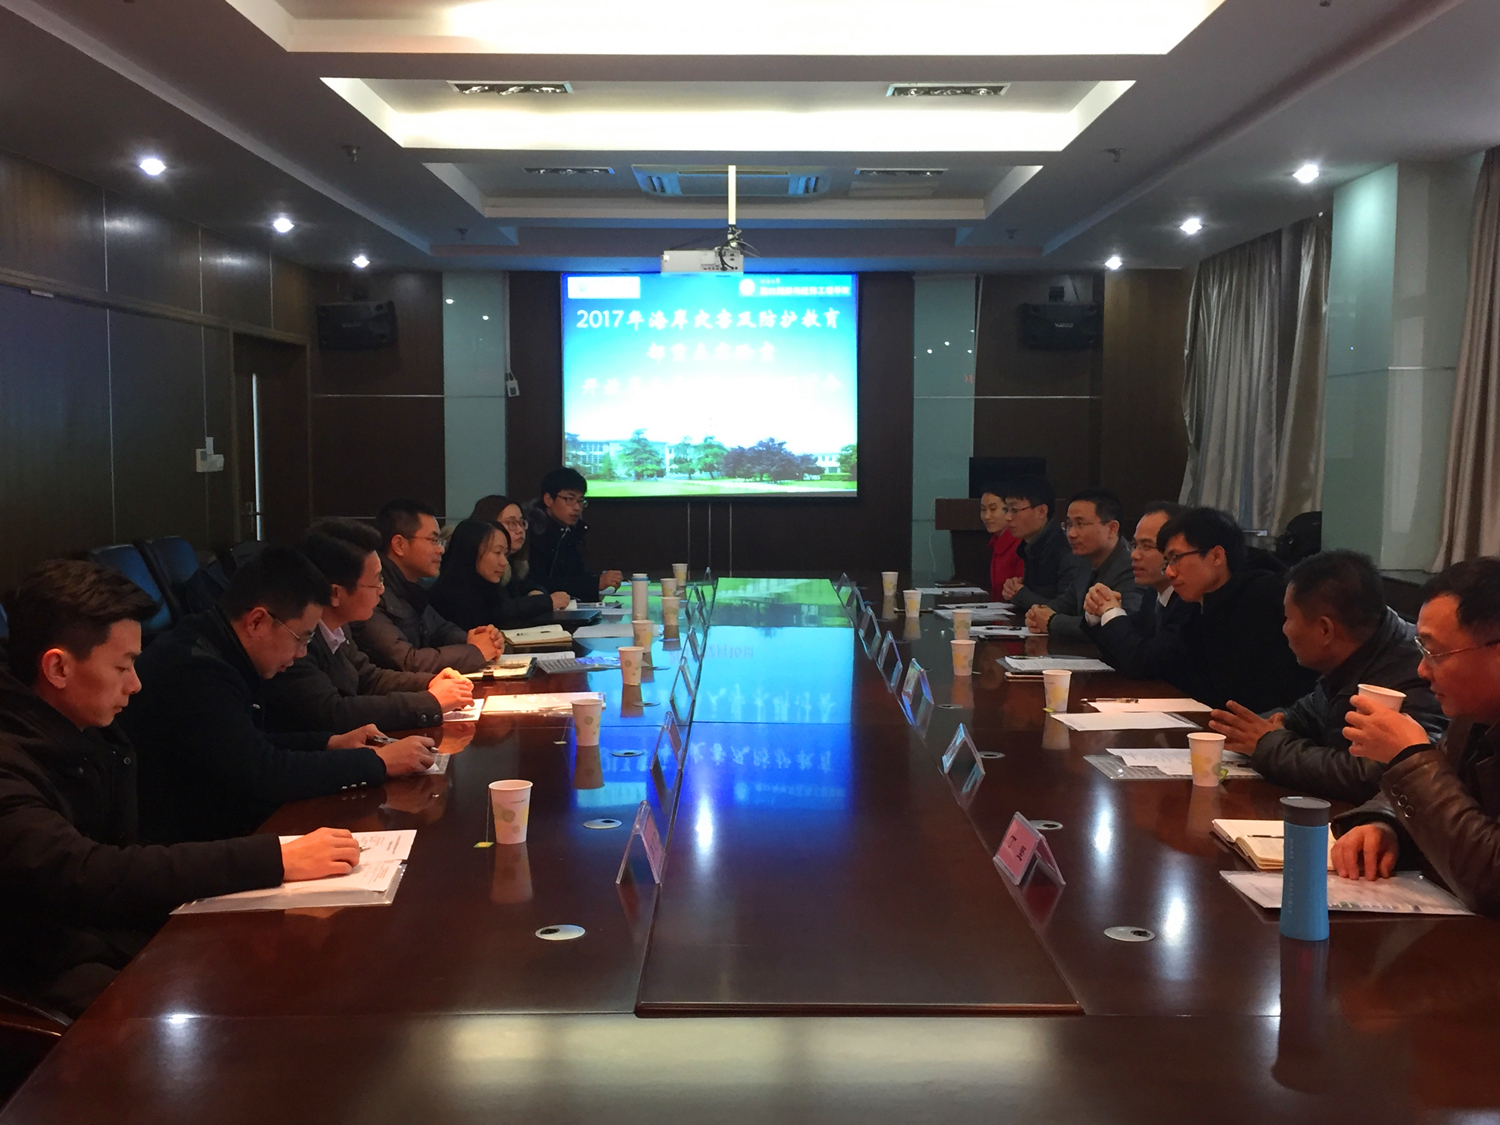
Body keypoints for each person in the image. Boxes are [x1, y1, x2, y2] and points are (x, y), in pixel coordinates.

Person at [0, 561, 364, 1015]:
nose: (136, 684)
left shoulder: (84, 725)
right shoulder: (11, 762)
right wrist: (274, 859)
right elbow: (87, 872)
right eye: (123, 666)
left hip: (113, 932)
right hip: (44, 971)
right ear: (57, 667)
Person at [122, 547, 436, 844]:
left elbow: (252, 742)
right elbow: (264, 773)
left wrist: (331, 743)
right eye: (301, 638)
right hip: (186, 845)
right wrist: (377, 762)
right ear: (257, 621)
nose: (302, 653)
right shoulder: (196, 671)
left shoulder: (218, 644)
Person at [1331, 558, 1500, 916]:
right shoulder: (1472, 717)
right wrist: (1385, 824)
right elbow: (1450, 797)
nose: (1422, 670)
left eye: (1435, 652)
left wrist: (1410, 757)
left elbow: (1492, 883)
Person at [1208, 550, 1444, 803]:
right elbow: (1309, 714)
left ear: (1325, 629)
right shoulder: (1357, 653)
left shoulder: (1416, 672)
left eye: (1288, 618)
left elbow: (1376, 775)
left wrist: (1269, 746)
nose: (1284, 629)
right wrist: (1277, 724)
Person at [261, 519, 474, 733]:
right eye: (376, 581)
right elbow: (334, 712)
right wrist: (429, 701)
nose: (382, 590)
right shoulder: (295, 642)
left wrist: (431, 682)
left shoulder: (339, 627)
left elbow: (368, 677)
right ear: (335, 593)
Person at [1157, 507, 1316, 712]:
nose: (1169, 573)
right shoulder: (1194, 606)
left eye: (1176, 558)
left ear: (1216, 556)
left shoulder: (1267, 599)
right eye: (1167, 562)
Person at [353, 499, 500, 674]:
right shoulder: (371, 593)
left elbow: (441, 630)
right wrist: (475, 651)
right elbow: (407, 661)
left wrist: (474, 639)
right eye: (433, 540)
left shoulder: (413, 587)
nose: (441, 549)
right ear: (399, 545)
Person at [1080, 501, 1201, 688]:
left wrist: (1111, 612)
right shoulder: (1153, 594)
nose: (1134, 555)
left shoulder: (1191, 601)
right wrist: (1097, 613)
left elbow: (1142, 663)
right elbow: (1123, 650)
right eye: (1135, 545)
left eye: (1147, 546)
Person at [1023, 489, 1142, 639]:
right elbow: (1066, 603)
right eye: (1069, 525)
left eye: (1080, 524)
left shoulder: (1133, 568)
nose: (1071, 534)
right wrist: (1037, 613)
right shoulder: (1085, 561)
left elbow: (1120, 626)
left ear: (1112, 529)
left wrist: (1053, 621)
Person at [431, 518, 570, 632]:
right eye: (497, 552)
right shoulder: (449, 595)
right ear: (471, 552)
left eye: (505, 554)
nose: (504, 562)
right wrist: (545, 602)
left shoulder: (488, 585)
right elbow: (498, 613)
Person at [525, 467, 624, 602]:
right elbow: (540, 583)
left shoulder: (571, 531)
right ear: (548, 499)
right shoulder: (531, 532)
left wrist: (598, 581)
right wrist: (595, 583)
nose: (577, 507)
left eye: (580, 501)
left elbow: (577, 574)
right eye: (569, 499)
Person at [999, 475, 1081, 613]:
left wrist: (1021, 594)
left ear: (1041, 511)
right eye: (1006, 510)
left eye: (1014, 510)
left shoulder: (1066, 550)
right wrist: (1014, 589)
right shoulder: (1030, 546)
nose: (1008, 517)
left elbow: (1066, 611)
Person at [978, 485, 1024, 599]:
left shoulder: (1020, 544)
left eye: (993, 509)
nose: (986, 516)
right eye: (983, 510)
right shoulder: (995, 542)